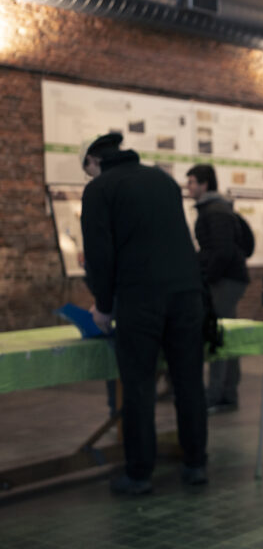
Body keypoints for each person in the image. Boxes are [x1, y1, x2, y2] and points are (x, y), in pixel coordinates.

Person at [80, 133, 208, 495]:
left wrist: (104, 307)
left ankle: (139, 473)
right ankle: (195, 463)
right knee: (188, 383)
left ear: (94, 161)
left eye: (87, 170)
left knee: (138, 386)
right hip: (186, 293)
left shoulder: (100, 189)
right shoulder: (162, 179)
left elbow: (100, 255)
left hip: (140, 298)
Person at [186, 164, 250, 413]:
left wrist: (208, 277)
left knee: (218, 337)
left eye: (192, 182)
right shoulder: (216, 209)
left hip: (225, 280)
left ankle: (216, 394)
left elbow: (222, 251)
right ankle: (226, 393)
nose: (189, 187)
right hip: (226, 278)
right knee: (225, 335)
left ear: (204, 184)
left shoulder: (215, 211)